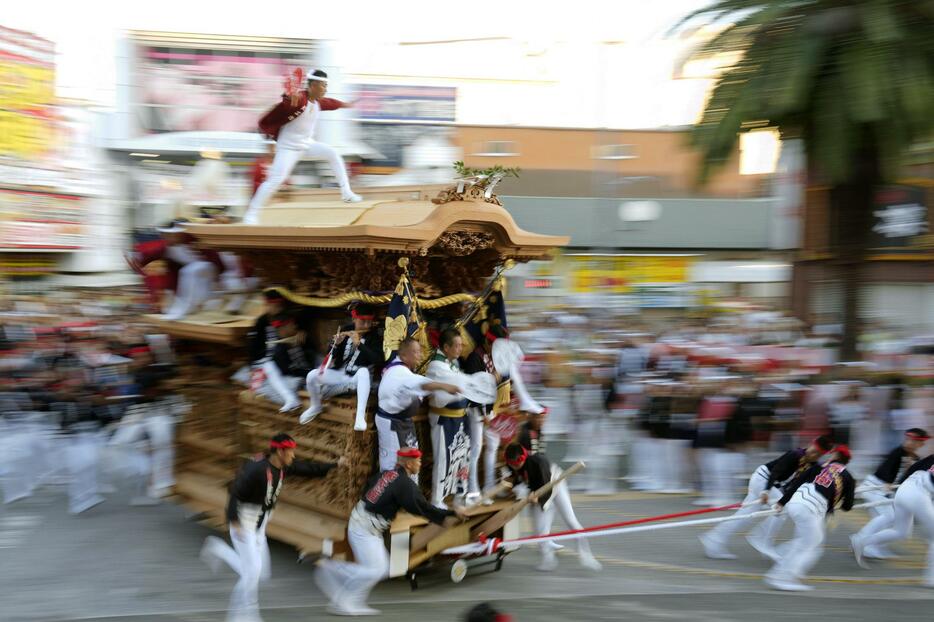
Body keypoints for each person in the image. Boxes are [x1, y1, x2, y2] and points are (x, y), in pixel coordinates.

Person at [200, 433, 340, 622]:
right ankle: (241, 616)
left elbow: (307, 468)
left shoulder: (282, 467)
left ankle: (218, 549)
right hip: (244, 521)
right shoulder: (257, 470)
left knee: (261, 573)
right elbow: (235, 494)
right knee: (252, 574)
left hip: (260, 524)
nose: (293, 456)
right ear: (280, 452)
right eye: (291, 452)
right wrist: (234, 521)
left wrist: (335, 465)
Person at [313, 447, 468, 616]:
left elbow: (369, 489)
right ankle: (333, 571)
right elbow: (422, 508)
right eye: (418, 461)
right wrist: (452, 513)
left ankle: (348, 601)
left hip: (363, 523)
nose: (420, 463)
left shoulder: (386, 474)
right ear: (408, 464)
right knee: (376, 569)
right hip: (364, 529)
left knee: (377, 568)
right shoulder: (404, 484)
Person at [243, 69, 362, 225]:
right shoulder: (299, 100)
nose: (326, 89)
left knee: (332, 153)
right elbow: (289, 102)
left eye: (326, 85)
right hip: (288, 148)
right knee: (275, 181)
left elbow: (332, 103)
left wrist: (346, 104)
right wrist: (288, 96)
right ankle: (251, 215)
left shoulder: (319, 102)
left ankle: (346, 192)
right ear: (312, 85)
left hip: (307, 145)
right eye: (323, 85)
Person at [699, 435, 834, 560]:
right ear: (811, 445)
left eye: (818, 454)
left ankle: (713, 539)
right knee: (781, 509)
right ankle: (761, 539)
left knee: (743, 516)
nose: (813, 454)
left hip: (770, 485)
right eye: (813, 450)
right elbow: (775, 472)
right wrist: (766, 491)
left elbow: (796, 485)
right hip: (762, 479)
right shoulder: (794, 455)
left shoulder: (814, 467)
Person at [764, 445, 856, 591]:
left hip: (796, 502)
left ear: (835, 456)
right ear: (846, 462)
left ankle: (782, 567)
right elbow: (847, 506)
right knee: (813, 545)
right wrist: (842, 496)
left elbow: (797, 483)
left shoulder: (818, 467)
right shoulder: (849, 478)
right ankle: (783, 576)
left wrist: (781, 502)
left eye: (831, 454)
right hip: (810, 508)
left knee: (805, 541)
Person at [503, 443, 602, 572]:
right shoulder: (512, 466)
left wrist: (538, 499)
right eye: (511, 464)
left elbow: (547, 485)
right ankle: (548, 559)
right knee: (539, 530)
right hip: (537, 490)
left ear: (523, 457)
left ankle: (586, 555)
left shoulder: (538, 462)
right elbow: (518, 480)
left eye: (517, 463)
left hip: (555, 482)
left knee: (571, 520)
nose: (514, 466)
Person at [375, 337, 460, 475]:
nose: (419, 355)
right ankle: (391, 493)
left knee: (410, 461)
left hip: (402, 422)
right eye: (415, 352)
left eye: (420, 352)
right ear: (403, 355)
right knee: (392, 464)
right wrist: (445, 386)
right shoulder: (399, 372)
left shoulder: (401, 368)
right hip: (392, 425)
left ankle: (408, 491)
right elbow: (423, 384)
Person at [851, 452, 934, 587]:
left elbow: (911, 470)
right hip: (918, 493)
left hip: (905, 489)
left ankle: (862, 540)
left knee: (901, 531)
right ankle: (931, 580)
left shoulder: (931, 458)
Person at [301, 304, 384, 430]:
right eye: (363, 321)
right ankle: (315, 405)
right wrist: (336, 345)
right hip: (340, 374)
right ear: (354, 319)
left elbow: (377, 359)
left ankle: (360, 418)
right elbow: (331, 357)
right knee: (312, 375)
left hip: (359, 378)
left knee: (363, 371)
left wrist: (359, 345)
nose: (366, 326)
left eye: (369, 322)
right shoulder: (346, 329)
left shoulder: (374, 336)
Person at [852, 428, 929, 559]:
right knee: (888, 516)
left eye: (915, 441)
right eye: (909, 440)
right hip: (875, 486)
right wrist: (888, 486)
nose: (910, 443)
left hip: (886, 490)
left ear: (920, 444)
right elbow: (887, 470)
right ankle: (861, 540)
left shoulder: (915, 458)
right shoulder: (898, 452)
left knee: (890, 520)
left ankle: (874, 546)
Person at [426, 328, 471, 508]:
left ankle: (460, 493)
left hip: (460, 419)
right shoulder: (436, 366)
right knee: (443, 459)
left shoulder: (453, 364)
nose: (460, 349)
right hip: (444, 419)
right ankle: (437, 499)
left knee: (462, 458)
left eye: (461, 345)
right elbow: (461, 386)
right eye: (457, 346)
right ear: (446, 347)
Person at [256, 313, 317, 413]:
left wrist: (305, 343)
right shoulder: (279, 350)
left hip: (309, 373)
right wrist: (289, 348)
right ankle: (291, 400)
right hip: (297, 377)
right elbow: (289, 371)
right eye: (291, 324)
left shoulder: (301, 338)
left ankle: (292, 399)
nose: (295, 326)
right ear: (283, 328)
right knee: (269, 366)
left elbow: (311, 357)